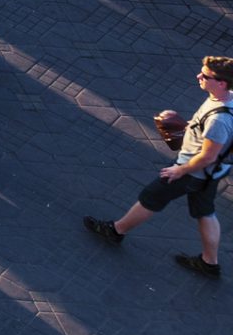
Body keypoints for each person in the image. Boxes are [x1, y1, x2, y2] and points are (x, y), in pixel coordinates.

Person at [84, 55, 231, 280]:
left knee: (151, 197)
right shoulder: (226, 100)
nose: (198, 76)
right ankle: (209, 263)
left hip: (192, 171)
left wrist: (179, 171)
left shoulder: (219, 121)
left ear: (221, 83)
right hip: (212, 175)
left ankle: (116, 231)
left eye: (205, 75)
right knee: (205, 212)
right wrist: (189, 128)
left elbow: (207, 157)